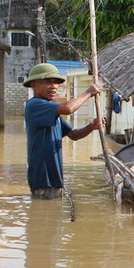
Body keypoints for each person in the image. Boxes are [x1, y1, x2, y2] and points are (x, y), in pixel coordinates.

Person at [23, 62, 103, 199]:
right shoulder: (34, 105)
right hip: (43, 181)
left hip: (54, 181)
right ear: (33, 85)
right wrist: (88, 92)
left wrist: (91, 127)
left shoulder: (53, 113)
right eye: (48, 82)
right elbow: (68, 109)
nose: (54, 87)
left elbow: (74, 135)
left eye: (55, 82)